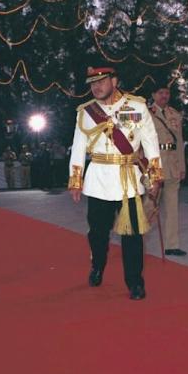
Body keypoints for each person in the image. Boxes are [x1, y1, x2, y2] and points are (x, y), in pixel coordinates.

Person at [67, 66, 163, 300]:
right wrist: (75, 180)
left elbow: (151, 143)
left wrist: (154, 176)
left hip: (128, 180)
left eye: (101, 81)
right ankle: (97, 264)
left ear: (114, 81)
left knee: (133, 235)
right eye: (92, 83)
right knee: (98, 233)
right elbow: (78, 147)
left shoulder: (137, 106)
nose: (96, 86)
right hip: (98, 180)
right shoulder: (86, 112)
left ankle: (135, 282)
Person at [147, 85, 187, 256]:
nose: (164, 96)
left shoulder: (175, 115)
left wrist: (182, 166)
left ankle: (172, 245)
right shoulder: (146, 114)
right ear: (153, 94)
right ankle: (133, 234)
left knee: (172, 207)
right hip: (154, 163)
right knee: (149, 204)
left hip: (172, 164)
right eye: (160, 92)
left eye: (167, 93)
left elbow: (179, 141)